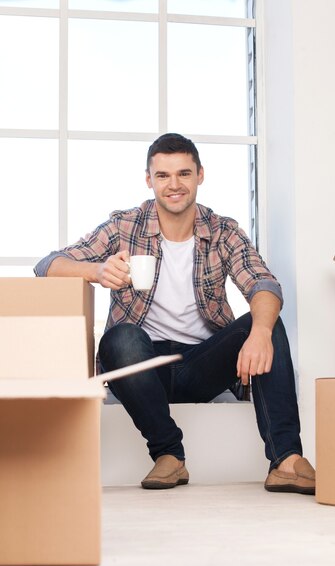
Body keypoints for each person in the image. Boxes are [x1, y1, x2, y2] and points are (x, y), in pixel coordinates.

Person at [34, 133, 315, 494]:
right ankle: (169, 455)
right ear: (149, 180)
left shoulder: (223, 231)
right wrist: (97, 272)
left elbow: (263, 283)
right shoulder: (126, 226)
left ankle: (286, 460)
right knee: (118, 338)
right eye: (163, 176)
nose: (174, 185)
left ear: (200, 175)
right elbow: (47, 265)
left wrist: (259, 332)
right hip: (141, 366)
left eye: (184, 173)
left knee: (265, 322)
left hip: (201, 363)